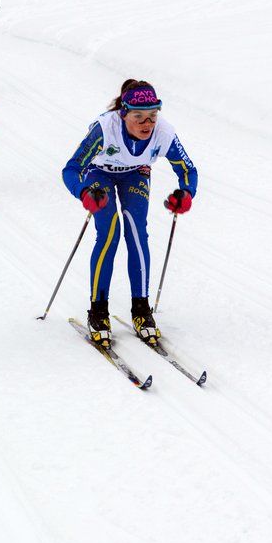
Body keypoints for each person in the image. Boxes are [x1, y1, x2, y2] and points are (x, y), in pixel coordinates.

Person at [62, 78, 198, 347]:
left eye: (152, 116)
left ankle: (141, 309)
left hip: (136, 173)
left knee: (137, 234)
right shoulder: (105, 129)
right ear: (123, 113)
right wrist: (83, 192)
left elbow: (188, 170)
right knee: (109, 233)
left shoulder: (164, 133)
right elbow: (72, 168)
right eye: (139, 117)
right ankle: (98, 310)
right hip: (99, 172)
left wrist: (186, 193)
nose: (147, 124)